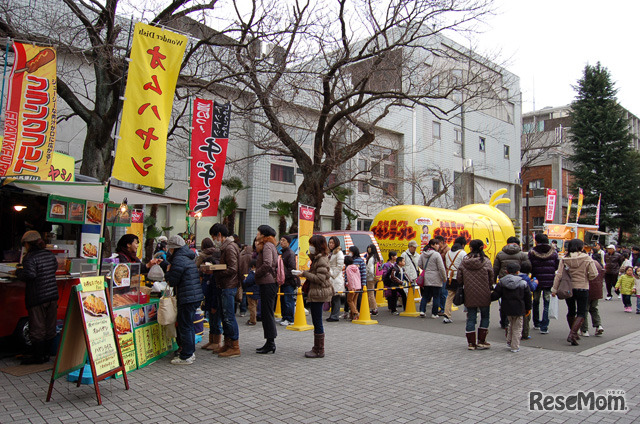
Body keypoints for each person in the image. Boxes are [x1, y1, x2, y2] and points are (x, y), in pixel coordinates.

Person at [15, 231, 58, 364]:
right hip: (52, 295)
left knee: (38, 327)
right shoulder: (49, 255)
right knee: (50, 326)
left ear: (28, 244)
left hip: (38, 296)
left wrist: (18, 272)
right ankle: (46, 354)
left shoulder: (30, 257)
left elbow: (30, 275)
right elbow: (54, 268)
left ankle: (38, 357)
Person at [551, 239, 598, 346]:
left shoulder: (564, 259)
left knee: (571, 310)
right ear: (580, 247)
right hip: (582, 287)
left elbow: (559, 275)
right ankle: (572, 334)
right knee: (581, 312)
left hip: (569, 288)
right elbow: (594, 273)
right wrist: (587, 277)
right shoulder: (587, 258)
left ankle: (574, 332)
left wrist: (554, 289)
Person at [166, 235, 204, 364]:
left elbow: (172, 280)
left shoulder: (178, 259)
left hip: (187, 297)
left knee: (185, 326)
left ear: (173, 248)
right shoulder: (187, 257)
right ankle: (189, 352)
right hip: (194, 296)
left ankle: (186, 355)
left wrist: (167, 272)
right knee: (189, 325)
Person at [209, 223, 241, 358]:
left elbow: (233, 268)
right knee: (225, 316)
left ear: (220, 235)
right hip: (225, 285)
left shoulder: (229, 247)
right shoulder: (226, 247)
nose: (214, 240)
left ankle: (234, 346)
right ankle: (228, 344)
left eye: (214, 237)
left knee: (228, 317)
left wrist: (216, 271)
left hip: (229, 285)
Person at [457, 239, 494, 350]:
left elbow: (459, 278)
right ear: (482, 247)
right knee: (485, 316)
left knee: (471, 318)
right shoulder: (486, 261)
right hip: (484, 293)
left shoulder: (465, 261)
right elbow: (491, 278)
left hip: (469, 293)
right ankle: (482, 341)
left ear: (471, 248)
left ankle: (471, 343)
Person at [301, 235, 334, 358]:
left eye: (312, 245)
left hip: (319, 292)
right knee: (316, 320)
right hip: (317, 292)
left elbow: (320, 278)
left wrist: (304, 274)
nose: (310, 247)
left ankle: (319, 349)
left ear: (318, 246)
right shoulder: (318, 258)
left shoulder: (321, 259)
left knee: (317, 321)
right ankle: (317, 347)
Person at [491, 262, 532, 353]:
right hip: (519, 308)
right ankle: (515, 346)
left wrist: (488, 298)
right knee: (517, 327)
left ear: (506, 271)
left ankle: (509, 341)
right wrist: (528, 308)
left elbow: (496, 295)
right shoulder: (523, 283)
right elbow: (528, 297)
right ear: (518, 272)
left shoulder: (502, 282)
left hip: (507, 307)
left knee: (510, 324)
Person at [494, 236, 530, 328]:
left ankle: (504, 322)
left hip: (504, 280)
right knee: (518, 301)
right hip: (519, 281)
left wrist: (493, 281)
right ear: (517, 244)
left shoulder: (500, 254)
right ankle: (516, 322)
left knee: (504, 302)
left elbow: (495, 269)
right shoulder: (522, 255)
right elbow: (527, 267)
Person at [254, 225, 279, 354]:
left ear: (263, 234)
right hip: (268, 282)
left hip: (268, 282)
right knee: (266, 312)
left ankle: (270, 343)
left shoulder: (268, 246)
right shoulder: (270, 245)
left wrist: (256, 273)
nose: (257, 234)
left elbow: (268, 264)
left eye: (258, 232)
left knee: (267, 313)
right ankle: (269, 342)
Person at [528, 233, 559, 335]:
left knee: (535, 302)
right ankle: (544, 327)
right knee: (547, 303)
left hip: (536, 280)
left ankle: (536, 323)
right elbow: (556, 266)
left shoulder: (532, 252)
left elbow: (529, 266)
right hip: (549, 280)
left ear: (536, 241)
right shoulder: (553, 252)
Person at [196, 237, 222, 352]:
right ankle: (211, 340)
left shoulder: (215, 279)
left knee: (216, 322)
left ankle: (217, 342)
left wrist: (213, 306)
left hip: (214, 303)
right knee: (211, 321)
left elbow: (215, 293)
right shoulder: (208, 277)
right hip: (208, 301)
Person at [418, 238, 446, 319]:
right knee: (436, 296)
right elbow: (441, 267)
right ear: (432, 245)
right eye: (436, 244)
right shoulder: (437, 254)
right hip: (436, 278)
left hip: (426, 277)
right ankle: (434, 313)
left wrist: (426, 269)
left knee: (425, 295)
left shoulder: (423, 254)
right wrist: (444, 278)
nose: (438, 246)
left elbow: (419, 264)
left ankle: (422, 311)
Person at [443, 236, 467, 323]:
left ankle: (447, 315)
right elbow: (465, 265)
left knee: (449, 297)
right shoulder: (462, 253)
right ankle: (469, 313)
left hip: (450, 277)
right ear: (462, 244)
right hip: (459, 277)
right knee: (466, 295)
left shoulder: (448, 253)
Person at [580, 259, 605, 337]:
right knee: (594, 308)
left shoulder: (585, 264)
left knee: (584, 310)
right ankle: (598, 325)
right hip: (597, 290)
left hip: (587, 290)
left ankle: (585, 330)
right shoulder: (597, 264)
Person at [279, 235, 299, 326]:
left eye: (283, 240)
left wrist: (285, 276)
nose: (281, 242)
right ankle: (284, 317)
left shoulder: (290, 253)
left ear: (288, 242)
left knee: (288, 300)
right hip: (283, 281)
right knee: (283, 300)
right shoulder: (283, 253)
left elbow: (292, 268)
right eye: (281, 240)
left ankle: (290, 319)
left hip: (288, 281)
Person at [326, 236, 345, 322]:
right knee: (333, 298)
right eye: (329, 242)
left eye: (332, 243)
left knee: (336, 298)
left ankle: (335, 316)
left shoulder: (339, 253)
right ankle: (333, 315)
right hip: (331, 277)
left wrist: (333, 275)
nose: (330, 244)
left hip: (336, 278)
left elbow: (340, 266)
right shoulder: (331, 253)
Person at [518, 262, 536, 340]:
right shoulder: (526, 278)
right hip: (526, 300)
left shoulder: (516, 276)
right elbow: (531, 288)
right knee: (526, 318)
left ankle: (515, 333)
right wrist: (535, 283)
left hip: (517, 299)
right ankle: (525, 334)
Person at [434, 235, 450, 314]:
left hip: (445, 273)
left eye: (437, 243)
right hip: (439, 273)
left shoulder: (447, 250)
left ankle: (444, 309)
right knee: (440, 292)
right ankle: (441, 308)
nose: (436, 245)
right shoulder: (439, 250)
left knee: (443, 292)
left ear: (441, 242)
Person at [343, 256, 362, 320]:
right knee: (354, 301)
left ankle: (356, 313)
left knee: (349, 300)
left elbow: (350, 278)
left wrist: (351, 287)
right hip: (358, 286)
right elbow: (359, 276)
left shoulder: (348, 268)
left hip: (353, 287)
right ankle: (352, 316)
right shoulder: (356, 267)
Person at [365, 244, 381, 316]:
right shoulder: (376, 257)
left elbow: (370, 269)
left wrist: (367, 275)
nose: (368, 249)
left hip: (370, 278)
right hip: (376, 277)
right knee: (371, 293)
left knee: (370, 294)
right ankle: (372, 308)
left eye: (370, 248)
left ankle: (374, 308)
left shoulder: (371, 258)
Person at [243, 260, 260, 325]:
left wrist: (244, 280)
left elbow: (248, 281)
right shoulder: (259, 273)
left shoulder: (252, 273)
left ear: (253, 266)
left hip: (251, 291)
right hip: (257, 291)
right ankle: (253, 318)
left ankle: (252, 320)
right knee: (255, 306)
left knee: (251, 307)